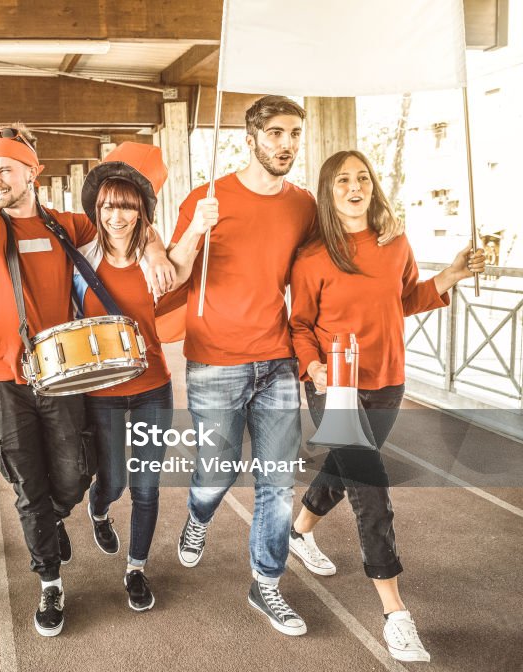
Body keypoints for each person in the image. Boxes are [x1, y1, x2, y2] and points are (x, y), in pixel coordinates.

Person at [0, 117, 174, 636]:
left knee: (72, 476)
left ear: (32, 173)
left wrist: (152, 248)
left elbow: (122, 228)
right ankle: (50, 585)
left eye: (7, 169)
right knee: (28, 488)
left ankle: (57, 519)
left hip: (63, 378)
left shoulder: (67, 226)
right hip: (2, 378)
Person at [166, 95, 402, 636]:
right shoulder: (208, 197)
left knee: (276, 482)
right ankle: (199, 515)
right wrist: (194, 231)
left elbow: (345, 243)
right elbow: (176, 275)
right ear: (249, 139)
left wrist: (387, 226)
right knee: (216, 474)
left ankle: (265, 583)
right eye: (275, 134)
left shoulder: (302, 206)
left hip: (276, 361)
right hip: (215, 362)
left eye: (295, 134)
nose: (286, 145)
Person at [288, 150, 485, 662]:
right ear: (328, 193)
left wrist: (455, 273)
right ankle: (396, 612)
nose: (355, 187)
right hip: (335, 386)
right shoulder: (312, 256)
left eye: (362, 178)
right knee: (371, 492)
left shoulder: (395, 241)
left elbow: (405, 298)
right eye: (342, 182)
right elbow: (300, 325)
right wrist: (314, 370)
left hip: (388, 382)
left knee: (346, 467)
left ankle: (299, 530)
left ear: (372, 185)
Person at [75, 143, 181, 612]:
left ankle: (137, 568)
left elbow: (192, 268)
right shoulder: (79, 261)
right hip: (102, 393)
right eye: (108, 206)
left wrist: (158, 248)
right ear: (96, 209)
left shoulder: (156, 260)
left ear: (141, 213)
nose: (116, 216)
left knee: (146, 485)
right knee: (114, 481)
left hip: (153, 389)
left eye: (126, 207)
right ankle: (99, 508)